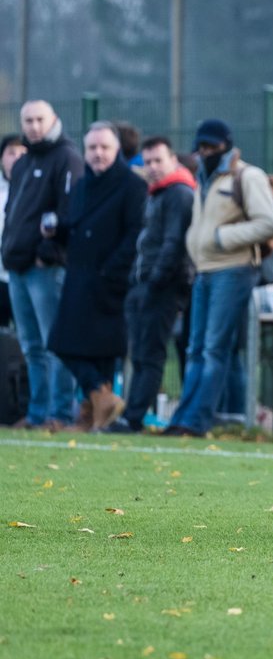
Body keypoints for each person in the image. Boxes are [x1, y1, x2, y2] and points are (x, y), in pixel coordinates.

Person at [162, 118, 273, 437]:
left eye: (211, 147)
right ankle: (184, 416)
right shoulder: (205, 178)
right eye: (200, 147)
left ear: (226, 146)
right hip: (204, 272)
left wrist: (220, 238)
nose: (204, 152)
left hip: (233, 269)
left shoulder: (248, 176)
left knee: (214, 348)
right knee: (196, 347)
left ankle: (196, 421)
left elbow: (269, 224)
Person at [47, 122, 147, 431]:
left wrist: (111, 270)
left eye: (104, 147)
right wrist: (57, 231)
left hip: (109, 280)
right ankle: (96, 405)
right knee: (67, 343)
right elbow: (76, 225)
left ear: (116, 150)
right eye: (92, 148)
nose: (97, 154)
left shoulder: (132, 186)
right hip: (80, 275)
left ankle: (97, 408)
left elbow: (134, 233)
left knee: (93, 348)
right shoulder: (82, 185)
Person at [1, 100, 83, 429]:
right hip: (17, 268)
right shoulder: (23, 164)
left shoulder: (67, 158)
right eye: (28, 120)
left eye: (40, 120)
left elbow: (70, 212)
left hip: (45, 270)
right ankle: (37, 413)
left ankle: (61, 413)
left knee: (55, 344)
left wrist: (48, 251)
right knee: (31, 346)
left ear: (54, 121)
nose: (34, 126)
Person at [114, 136, 196, 433]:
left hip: (162, 286)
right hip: (143, 282)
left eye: (158, 160)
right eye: (147, 162)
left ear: (173, 160)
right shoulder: (157, 193)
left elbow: (174, 243)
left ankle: (133, 417)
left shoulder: (180, 194)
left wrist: (155, 281)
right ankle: (131, 414)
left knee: (150, 354)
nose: (152, 167)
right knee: (139, 353)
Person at [0, 134, 28, 328]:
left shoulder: (36, 188)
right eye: (11, 152)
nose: (17, 157)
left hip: (25, 274)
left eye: (22, 152)